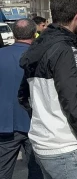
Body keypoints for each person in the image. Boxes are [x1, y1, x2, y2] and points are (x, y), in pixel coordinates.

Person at [18, 0, 77, 179]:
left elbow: (23, 96)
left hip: (43, 144)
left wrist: (45, 121)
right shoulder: (66, 50)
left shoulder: (39, 45)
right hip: (66, 149)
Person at [0, 19, 44, 179]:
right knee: (37, 170)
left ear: (13, 34)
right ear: (34, 34)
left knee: (3, 170)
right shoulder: (40, 57)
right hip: (34, 122)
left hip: (4, 123)